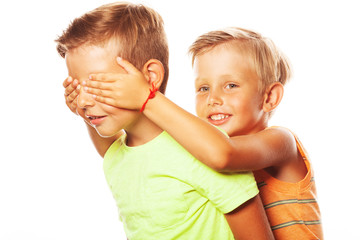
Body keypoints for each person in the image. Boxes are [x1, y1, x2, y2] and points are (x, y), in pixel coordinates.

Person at [79, 27, 323, 239]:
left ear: (270, 97)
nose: (213, 99)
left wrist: (147, 98)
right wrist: (88, 111)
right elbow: (119, 155)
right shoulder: (206, 146)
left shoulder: (281, 141)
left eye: (231, 86)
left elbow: (224, 155)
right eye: (203, 88)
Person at [57, 3, 274, 240]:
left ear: (150, 77)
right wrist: (84, 113)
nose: (85, 101)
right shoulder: (118, 156)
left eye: (99, 86)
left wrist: (144, 97)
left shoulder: (200, 152)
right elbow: (112, 151)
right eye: (78, 87)